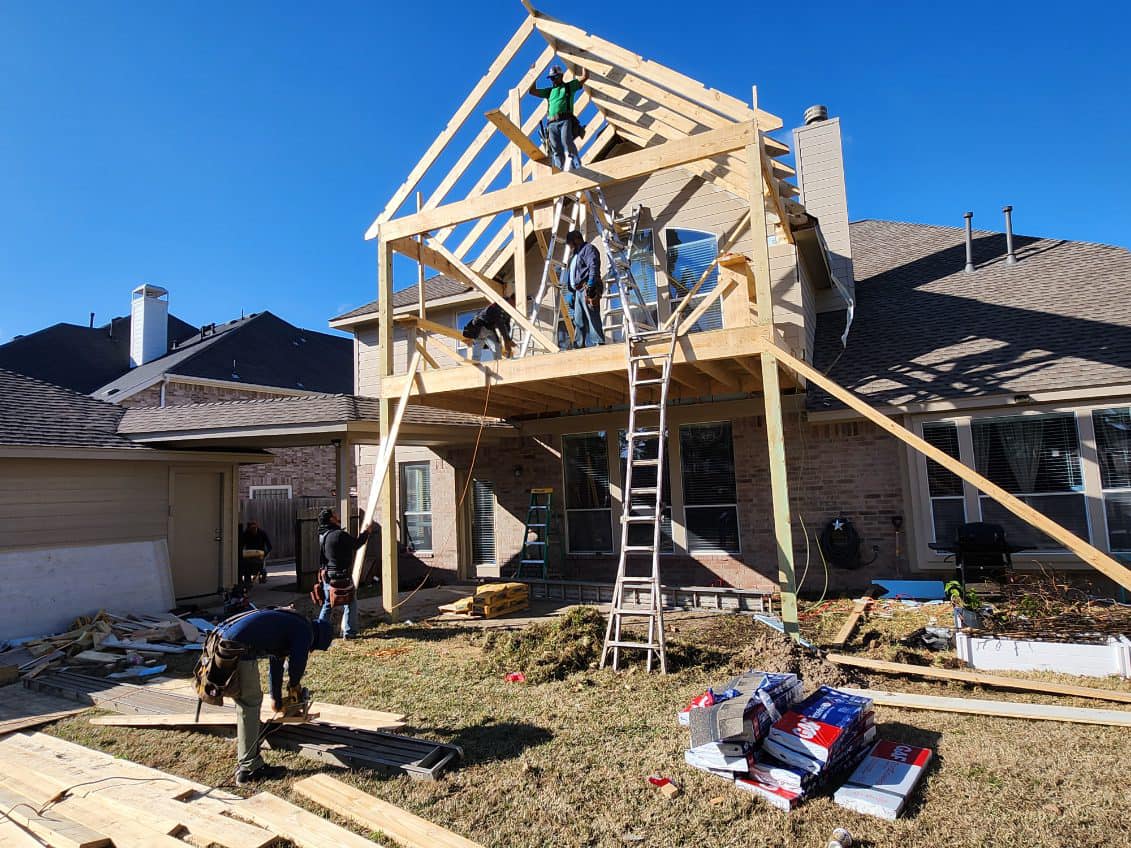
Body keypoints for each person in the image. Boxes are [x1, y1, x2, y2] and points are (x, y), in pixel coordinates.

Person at [211, 608, 334, 784]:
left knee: (247, 701)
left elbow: (276, 662)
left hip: (224, 638)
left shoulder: (292, 624)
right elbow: (297, 662)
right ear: (317, 640)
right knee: (250, 703)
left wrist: (276, 698)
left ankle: (251, 742)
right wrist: (294, 686)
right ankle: (249, 768)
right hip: (236, 646)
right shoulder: (305, 632)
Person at [316, 507, 369, 639]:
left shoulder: (323, 535)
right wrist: (366, 532)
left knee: (328, 604)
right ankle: (349, 633)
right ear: (331, 519)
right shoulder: (338, 534)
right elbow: (357, 544)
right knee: (350, 603)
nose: (338, 515)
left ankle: (319, 632)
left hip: (328, 575)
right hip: (341, 575)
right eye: (335, 514)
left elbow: (323, 557)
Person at [528, 64, 589, 170]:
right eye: (551, 78)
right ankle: (560, 170)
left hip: (565, 120)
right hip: (551, 124)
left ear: (561, 76)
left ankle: (576, 166)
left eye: (555, 77)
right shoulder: (550, 91)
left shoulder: (569, 87)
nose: (553, 80)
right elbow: (532, 91)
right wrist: (533, 73)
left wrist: (583, 61)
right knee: (556, 149)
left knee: (567, 142)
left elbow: (585, 77)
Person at [565, 230, 605, 348]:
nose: (570, 246)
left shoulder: (588, 249)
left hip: (587, 287)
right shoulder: (575, 254)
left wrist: (591, 284)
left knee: (592, 316)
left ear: (576, 239)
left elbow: (593, 265)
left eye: (570, 243)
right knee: (578, 320)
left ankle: (598, 343)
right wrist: (571, 292)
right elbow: (572, 274)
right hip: (578, 291)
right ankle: (578, 344)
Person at [461, 296, 516, 361]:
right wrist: (507, 341)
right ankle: (475, 360)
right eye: (514, 304)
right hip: (481, 325)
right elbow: (500, 324)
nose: (514, 306)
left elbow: (506, 325)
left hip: (490, 328)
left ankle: (498, 361)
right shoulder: (497, 307)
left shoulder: (507, 311)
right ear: (510, 300)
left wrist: (508, 340)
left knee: (496, 345)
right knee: (480, 341)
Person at [237, 521, 272, 590]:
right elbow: (241, 545)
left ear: (257, 527)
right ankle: (248, 582)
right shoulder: (246, 534)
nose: (253, 530)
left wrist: (265, 553)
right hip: (249, 554)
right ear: (248, 529)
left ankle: (262, 573)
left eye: (255, 528)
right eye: (251, 529)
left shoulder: (262, 533)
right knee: (246, 566)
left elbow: (269, 545)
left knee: (258, 566)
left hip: (260, 553)